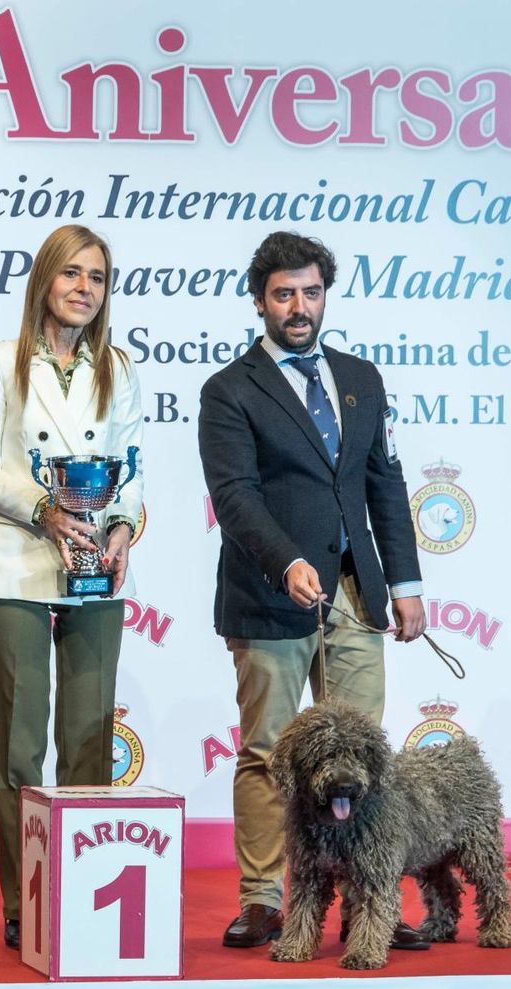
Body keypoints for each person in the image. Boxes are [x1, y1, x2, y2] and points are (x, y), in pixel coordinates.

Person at [197, 231, 427, 950]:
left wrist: (407, 582)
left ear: (326, 294)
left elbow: (382, 484)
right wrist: (286, 561)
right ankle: (264, 901)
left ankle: (372, 904)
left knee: (363, 759)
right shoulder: (229, 390)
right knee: (268, 751)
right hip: (270, 598)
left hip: (357, 596)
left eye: (311, 292)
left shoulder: (360, 377)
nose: (299, 307)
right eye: (284, 294)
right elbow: (234, 497)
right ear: (260, 300)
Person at [0, 224, 144, 949]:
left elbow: (133, 465)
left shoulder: (119, 368)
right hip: (18, 568)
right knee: (20, 750)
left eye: (96, 278)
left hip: (97, 569)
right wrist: (44, 509)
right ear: (44, 282)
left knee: (90, 741)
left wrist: (122, 524)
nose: (83, 289)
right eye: (71, 274)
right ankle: (22, 901)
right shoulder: (1, 362)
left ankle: (89, 898)